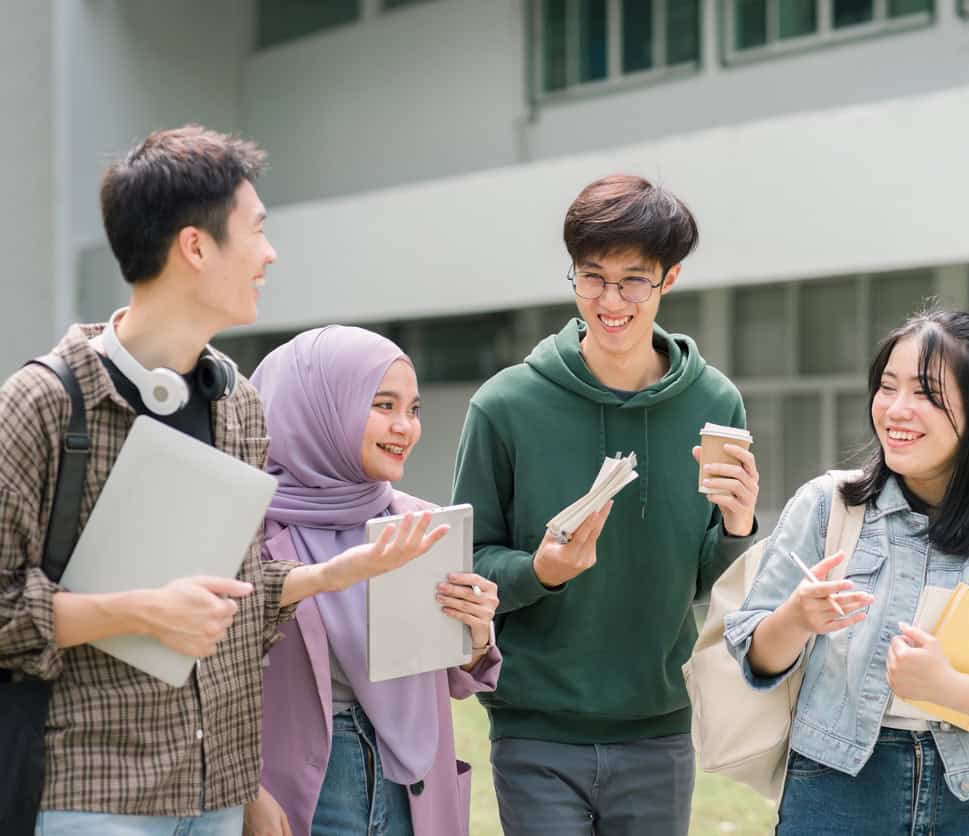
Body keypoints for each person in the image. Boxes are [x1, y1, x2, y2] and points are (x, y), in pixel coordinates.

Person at [0, 126, 446, 834]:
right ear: (195, 247)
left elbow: (231, 606)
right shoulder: (46, 403)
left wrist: (244, 787)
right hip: (93, 794)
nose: (269, 255)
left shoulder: (237, 407)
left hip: (213, 801)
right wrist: (141, 611)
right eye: (257, 232)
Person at [451, 174, 761, 835]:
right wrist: (541, 572)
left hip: (658, 729)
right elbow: (466, 567)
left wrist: (739, 527)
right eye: (591, 278)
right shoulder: (505, 406)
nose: (610, 300)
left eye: (633, 281)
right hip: (535, 729)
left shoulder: (715, 404)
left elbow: (711, 581)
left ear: (669, 279)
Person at [726, 308, 969, 835]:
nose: (896, 409)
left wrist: (949, 686)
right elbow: (751, 648)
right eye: (887, 387)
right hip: (836, 790)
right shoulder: (827, 506)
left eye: (925, 393)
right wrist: (797, 618)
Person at [242, 325, 502, 836]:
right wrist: (247, 790)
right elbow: (206, 678)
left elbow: (455, 676)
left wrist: (473, 633)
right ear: (317, 409)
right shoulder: (248, 528)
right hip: (301, 791)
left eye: (413, 408)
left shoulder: (420, 522)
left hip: (414, 787)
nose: (405, 426)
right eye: (383, 405)